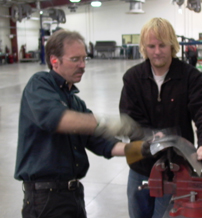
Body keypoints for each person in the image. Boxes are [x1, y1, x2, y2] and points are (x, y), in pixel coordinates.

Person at [14, 29, 127, 218]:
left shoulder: (75, 102)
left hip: (72, 195)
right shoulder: (39, 85)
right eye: (75, 59)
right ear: (54, 60)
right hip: (45, 200)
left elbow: (100, 141)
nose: (82, 65)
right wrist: (107, 122)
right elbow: (56, 119)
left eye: (84, 59)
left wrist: (139, 149)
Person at [119, 17, 202, 218]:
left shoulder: (190, 76)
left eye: (162, 45)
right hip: (140, 165)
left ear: (173, 45)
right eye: (151, 46)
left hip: (177, 168)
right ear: (144, 47)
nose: (157, 51)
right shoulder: (132, 78)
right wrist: (154, 140)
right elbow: (130, 119)